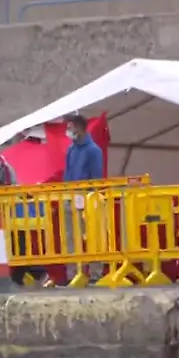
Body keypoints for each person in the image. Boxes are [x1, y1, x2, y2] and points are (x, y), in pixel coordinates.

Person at [62, 114, 105, 285]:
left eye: (70, 127)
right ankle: (73, 274)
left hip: (88, 197)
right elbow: (67, 173)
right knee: (70, 237)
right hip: (70, 196)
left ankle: (95, 273)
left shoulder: (94, 150)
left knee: (93, 236)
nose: (68, 131)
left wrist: (91, 196)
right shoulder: (71, 150)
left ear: (80, 128)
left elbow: (97, 176)